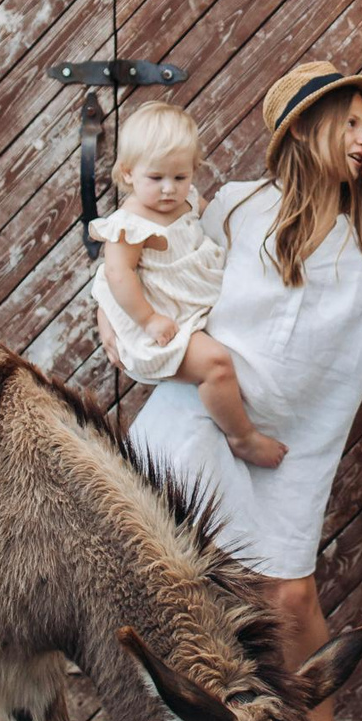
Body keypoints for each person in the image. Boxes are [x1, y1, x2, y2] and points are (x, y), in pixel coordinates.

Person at [124, 62, 362, 721]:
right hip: (205, 415)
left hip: (296, 446)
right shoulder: (238, 207)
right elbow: (164, 269)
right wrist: (135, 319)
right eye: (347, 123)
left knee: (290, 593)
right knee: (187, 582)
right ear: (305, 132)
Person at [89, 101, 285, 467]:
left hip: (190, 306)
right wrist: (148, 319)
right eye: (156, 178)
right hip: (158, 323)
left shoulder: (188, 200)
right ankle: (242, 436)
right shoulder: (129, 225)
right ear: (129, 174)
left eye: (179, 178)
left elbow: (220, 223)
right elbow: (117, 275)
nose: (168, 189)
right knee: (217, 364)